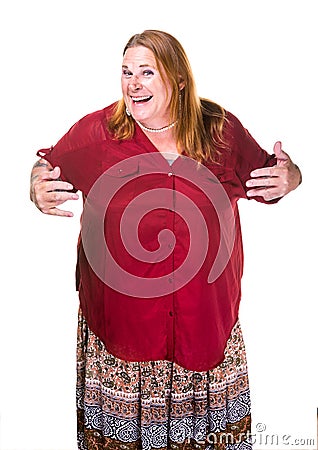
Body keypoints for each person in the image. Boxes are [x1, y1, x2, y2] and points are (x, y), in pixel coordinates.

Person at [30, 30, 301, 450]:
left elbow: (272, 178)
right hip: (122, 334)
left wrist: (292, 176)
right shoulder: (97, 134)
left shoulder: (220, 132)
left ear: (176, 78)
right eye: (126, 72)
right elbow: (47, 166)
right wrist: (36, 186)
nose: (132, 83)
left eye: (146, 72)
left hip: (203, 328)